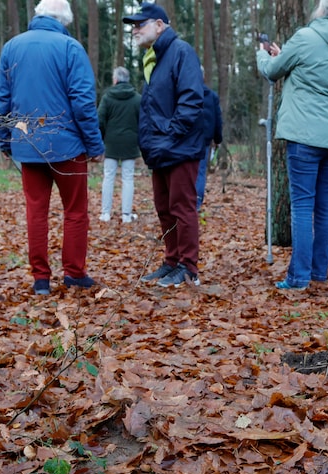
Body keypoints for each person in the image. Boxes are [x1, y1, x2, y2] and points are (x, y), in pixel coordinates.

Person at [0, 0, 104, 296]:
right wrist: (94, 145)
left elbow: (0, 102)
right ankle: (74, 273)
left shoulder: (12, 47)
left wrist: (5, 140)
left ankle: (41, 279)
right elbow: (82, 102)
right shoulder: (71, 48)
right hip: (67, 146)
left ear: (38, 15)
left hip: (27, 145)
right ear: (64, 20)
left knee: (36, 212)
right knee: (76, 212)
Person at [256, 0, 328, 291]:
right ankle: (318, 272)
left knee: (301, 206)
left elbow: (273, 71)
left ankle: (298, 278)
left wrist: (263, 57)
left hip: (304, 135)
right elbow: (316, 71)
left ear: (325, 11)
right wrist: (285, 56)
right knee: (324, 206)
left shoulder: (304, 37)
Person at [123, 3, 205, 288]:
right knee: (164, 208)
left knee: (182, 208)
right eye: (133, 25)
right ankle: (172, 261)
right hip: (160, 149)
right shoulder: (153, 58)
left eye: (140, 24)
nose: (134, 30)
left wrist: (170, 134)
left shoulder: (181, 52)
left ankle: (188, 268)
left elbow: (192, 99)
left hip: (179, 147)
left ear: (160, 25)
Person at [98, 66, 141, 223]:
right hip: (130, 143)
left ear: (115, 80)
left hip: (111, 142)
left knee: (108, 176)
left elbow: (100, 120)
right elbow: (143, 122)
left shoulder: (107, 97)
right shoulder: (137, 98)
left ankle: (105, 214)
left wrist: (101, 140)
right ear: (128, 79)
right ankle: (126, 215)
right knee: (128, 178)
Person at [195, 79, 223, 211]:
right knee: (200, 172)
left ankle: (189, 203)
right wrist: (218, 139)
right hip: (204, 139)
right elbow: (217, 120)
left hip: (188, 139)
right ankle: (197, 203)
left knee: (188, 171)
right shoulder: (211, 96)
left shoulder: (185, 93)